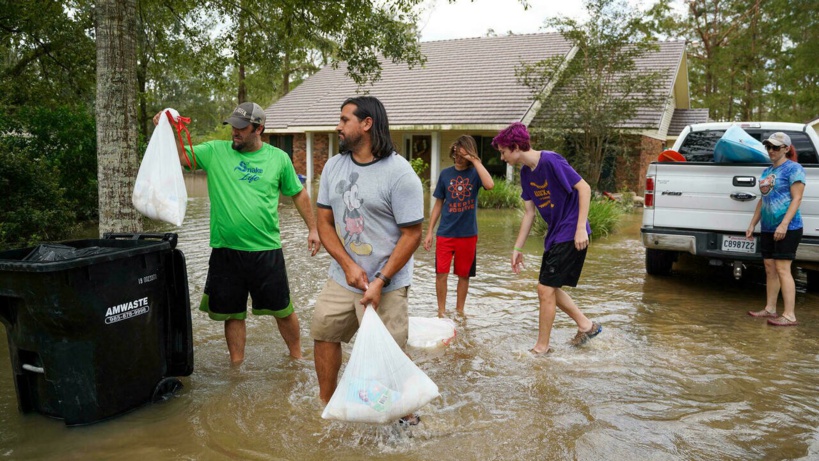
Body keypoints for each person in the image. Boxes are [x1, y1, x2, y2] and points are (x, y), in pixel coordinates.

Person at [152, 102, 321, 364]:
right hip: (226, 251)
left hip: (266, 250)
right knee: (232, 313)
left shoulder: (278, 158)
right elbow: (182, 158)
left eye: (242, 128)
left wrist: (313, 229)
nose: (235, 132)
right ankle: (236, 366)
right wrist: (170, 130)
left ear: (259, 129)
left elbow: (298, 193)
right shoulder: (215, 152)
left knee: (283, 310)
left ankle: (297, 359)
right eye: (233, 126)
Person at [311, 96, 424, 424]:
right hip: (343, 276)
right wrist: (347, 265)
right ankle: (329, 407)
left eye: (344, 119)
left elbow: (412, 235)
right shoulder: (334, 166)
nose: (338, 127)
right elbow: (324, 223)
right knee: (324, 330)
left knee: (389, 355)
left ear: (367, 123)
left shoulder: (400, 174)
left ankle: (406, 418)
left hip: (386, 282)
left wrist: (381, 280)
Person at [492, 122, 601, 355]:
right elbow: (529, 213)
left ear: (515, 147)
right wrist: (517, 247)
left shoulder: (551, 160)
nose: (501, 157)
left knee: (544, 288)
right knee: (548, 288)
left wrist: (581, 227)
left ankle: (541, 348)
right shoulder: (525, 174)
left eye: (502, 152)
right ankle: (586, 326)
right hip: (554, 235)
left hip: (571, 231)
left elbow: (585, 188)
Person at [423, 136, 494, 317]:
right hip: (445, 233)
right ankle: (441, 312)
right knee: (441, 273)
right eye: (457, 151)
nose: (459, 156)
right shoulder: (445, 174)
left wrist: (474, 160)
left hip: (468, 234)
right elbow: (438, 203)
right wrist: (430, 231)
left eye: (464, 153)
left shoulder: (475, 173)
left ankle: (460, 311)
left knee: (464, 275)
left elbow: (490, 185)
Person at [746, 132, 805, 326]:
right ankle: (770, 309)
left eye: (775, 147)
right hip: (769, 227)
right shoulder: (766, 172)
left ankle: (789, 315)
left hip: (788, 227)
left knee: (782, 269)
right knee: (770, 268)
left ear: (786, 149)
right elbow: (763, 201)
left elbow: (797, 198)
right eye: (768, 147)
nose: (771, 150)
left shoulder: (794, 169)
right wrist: (753, 223)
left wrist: (784, 224)